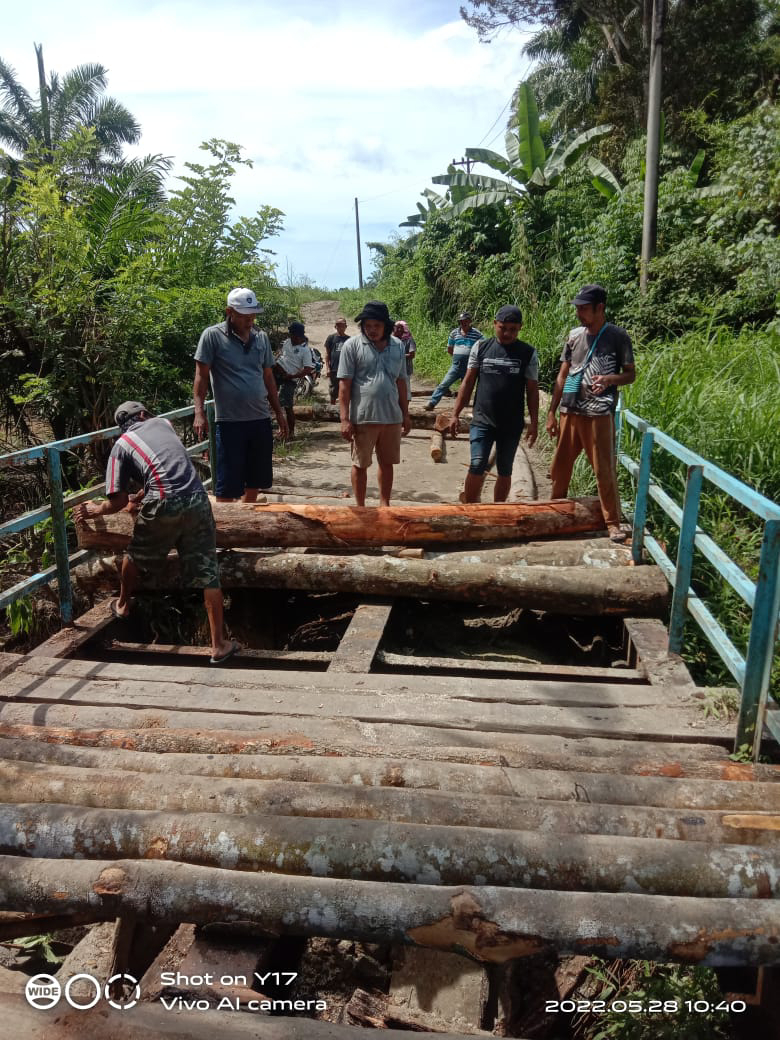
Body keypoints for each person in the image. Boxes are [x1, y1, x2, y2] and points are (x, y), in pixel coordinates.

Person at [73, 402, 239, 665]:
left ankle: (123, 605)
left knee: (135, 554)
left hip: (162, 501)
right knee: (209, 574)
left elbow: (116, 502)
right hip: (197, 497)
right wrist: (143, 493)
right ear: (142, 415)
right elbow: (169, 465)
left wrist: (96, 510)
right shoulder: (165, 424)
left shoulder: (120, 446)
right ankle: (218, 644)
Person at [546, 284, 636, 542]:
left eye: (584, 308)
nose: (579, 313)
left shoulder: (618, 337)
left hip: (598, 413)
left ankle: (612, 522)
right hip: (570, 409)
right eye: (578, 308)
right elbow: (563, 375)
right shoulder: (574, 336)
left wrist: (609, 379)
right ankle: (553, 512)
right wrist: (552, 412)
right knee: (560, 466)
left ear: (600, 308)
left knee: (603, 468)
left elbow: (630, 374)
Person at [193, 287, 288, 502]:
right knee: (227, 483)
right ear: (230, 312)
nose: (250, 320)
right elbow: (201, 377)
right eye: (245, 315)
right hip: (230, 422)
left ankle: (247, 519)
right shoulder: (212, 336)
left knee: (256, 478)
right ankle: (227, 526)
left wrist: (278, 412)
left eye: (253, 315)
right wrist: (199, 412)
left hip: (259, 418)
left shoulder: (261, 338)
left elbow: (268, 378)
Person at [448, 305, 539, 503]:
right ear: (494, 324)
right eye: (502, 328)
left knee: (505, 469)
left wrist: (534, 422)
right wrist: (455, 414)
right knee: (477, 463)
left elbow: (532, 390)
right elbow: (468, 382)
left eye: (512, 329)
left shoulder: (528, 353)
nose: (507, 333)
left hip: (511, 423)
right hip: (482, 419)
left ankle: (498, 511)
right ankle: (471, 512)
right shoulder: (481, 348)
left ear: (520, 328)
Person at [337, 300, 411, 507]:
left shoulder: (397, 346)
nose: (372, 330)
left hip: (392, 417)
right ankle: (360, 508)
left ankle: (384, 505)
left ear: (386, 326)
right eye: (367, 326)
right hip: (363, 418)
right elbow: (344, 385)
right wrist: (344, 419)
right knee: (360, 464)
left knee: (387, 463)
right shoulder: (352, 346)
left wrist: (406, 414)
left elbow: (401, 382)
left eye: (376, 326)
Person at [425, 311, 482, 410]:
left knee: (467, 386)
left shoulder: (477, 334)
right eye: (461, 321)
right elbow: (450, 349)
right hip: (456, 365)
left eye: (465, 321)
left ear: (469, 321)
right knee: (444, 383)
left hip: (469, 366)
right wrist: (458, 356)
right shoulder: (454, 333)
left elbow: (484, 345)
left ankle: (465, 404)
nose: (463, 323)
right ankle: (432, 403)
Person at [274, 320, 315, 440]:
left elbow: (307, 369)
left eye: (293, 335)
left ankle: (290, 432)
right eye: (290, 335)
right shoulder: (287, 342)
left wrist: (293, 376)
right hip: (276, 373)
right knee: (268, 400)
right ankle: (277, 429)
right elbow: (281, 354)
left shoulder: (305, 351)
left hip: (289, 378)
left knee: (286, 405)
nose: (290, 337)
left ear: (299, 336)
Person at [324, 318, 350, 405]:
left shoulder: (349, 340)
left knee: (346, 390)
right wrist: (327, 368)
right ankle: (332, 409)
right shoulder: (331, 338)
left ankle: (344, 410)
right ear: (335, 326)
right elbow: (327, 354)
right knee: (333, 391)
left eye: (342, 325)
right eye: (338, 325)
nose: (340, 327)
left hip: (346, 369)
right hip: (334, 369)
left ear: (346, 326)